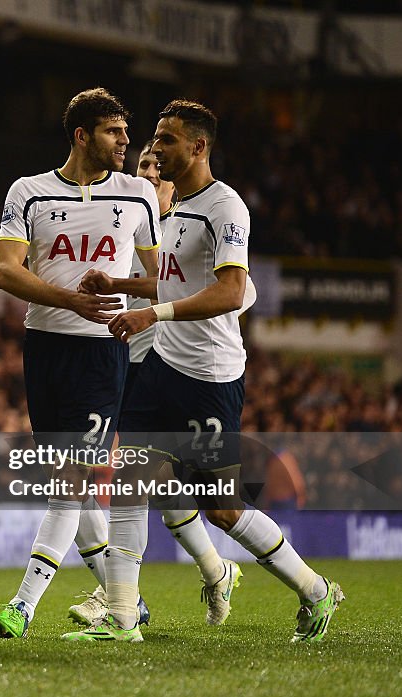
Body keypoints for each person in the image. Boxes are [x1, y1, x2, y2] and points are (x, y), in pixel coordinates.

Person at [65, 99, 343, 643]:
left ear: (197, 146)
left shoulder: (225, 208)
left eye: (166, 140)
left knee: (222, 509)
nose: (156, 148)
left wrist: (153, 312)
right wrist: (120, 286)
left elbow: (231, 291)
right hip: (162, 365)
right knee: (129, 482)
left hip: (209, 378)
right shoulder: (170, 209)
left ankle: (315, 590)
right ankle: (122, 617)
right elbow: (174, 281)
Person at [0, 88, 160, 639]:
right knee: (73, 482)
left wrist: (127, 300)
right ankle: (123, 598)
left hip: (102, 351)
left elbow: (164, 276)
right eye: (114, 132)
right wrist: (70, 301)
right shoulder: (30, 193)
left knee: (68, 479)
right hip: (44, 347)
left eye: (126, 133)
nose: (125, 142)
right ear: (82, 135)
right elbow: (5, 271)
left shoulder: (139, 196)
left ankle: (23, 604)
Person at [67, 141, 257, 629]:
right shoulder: (128, 222)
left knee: (133, 483)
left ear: (176, 177)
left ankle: (119, 596)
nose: (148, 173)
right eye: (142, 166)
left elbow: (237, 291)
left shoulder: (193, 229)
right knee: (146, 486)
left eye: (157, 166)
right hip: (120, 362)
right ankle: (209, 572)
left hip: (165, 366)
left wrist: (168, 312)